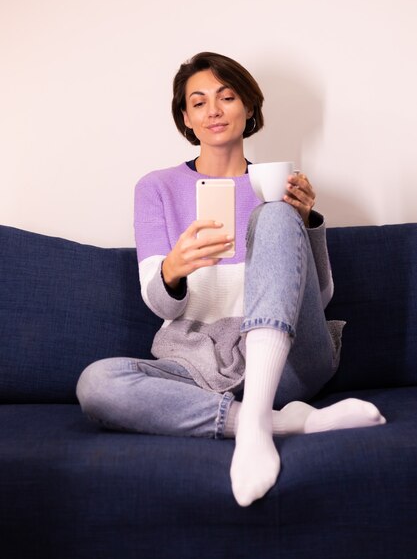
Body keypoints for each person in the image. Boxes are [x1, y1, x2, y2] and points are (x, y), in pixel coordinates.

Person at [76, 52, 386, 507]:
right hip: (195, 366)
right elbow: (162, 308)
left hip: (290, 365)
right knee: (97, 383)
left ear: (249, 107)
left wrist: (305, 225)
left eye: (227, 96)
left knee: (275, 214)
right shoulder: (156, 189)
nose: (214, 110)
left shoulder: (280, 184)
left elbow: (318, 299)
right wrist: (173, 269)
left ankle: (261, 411)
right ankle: (273, 423)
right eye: (198, 102)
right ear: (186, 118)